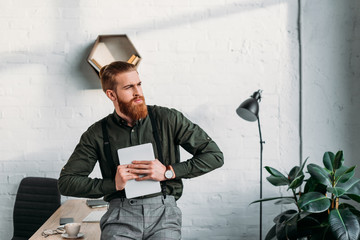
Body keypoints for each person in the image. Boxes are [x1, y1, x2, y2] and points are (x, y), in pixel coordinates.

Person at [58, 61, 224, 240]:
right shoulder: (96, 133)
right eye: (129, 87)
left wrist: (169, 172)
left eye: (139, 84)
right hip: (120, 215)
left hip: (164, 214)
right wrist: (113, 184)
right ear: (111, 94)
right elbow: (67, 182)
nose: (138, 92)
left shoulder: (167, 118)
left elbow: (214, 156)